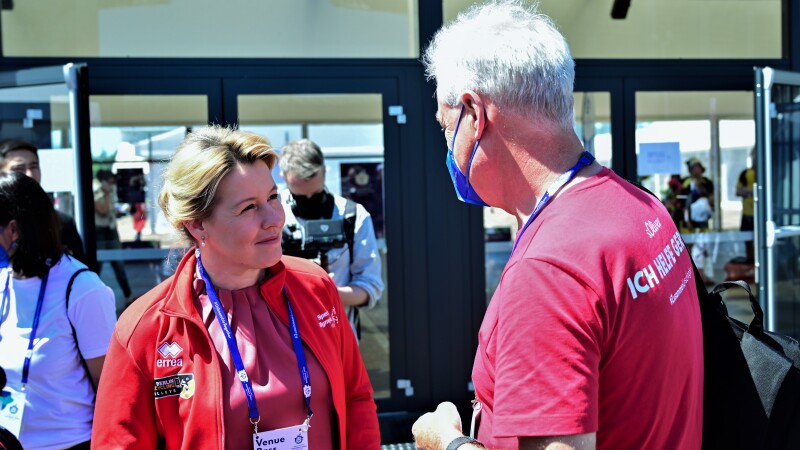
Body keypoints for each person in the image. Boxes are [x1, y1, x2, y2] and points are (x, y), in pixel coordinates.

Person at [413, 2, 703, 449]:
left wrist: (445, 442)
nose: (448, 148)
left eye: (444, 125)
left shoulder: (548, 270)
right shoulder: (643, 207)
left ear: (474, 115)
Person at [91, 126, 380, 449]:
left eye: (272, 197)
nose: (274, 219)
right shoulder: (145, 328)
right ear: (197, 224)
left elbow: (356, 398)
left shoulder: (316, 287)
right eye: (249, 207)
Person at [0, 171, 117, 450]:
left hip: (71, 443)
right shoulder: (3, 281)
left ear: (14, 230)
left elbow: (111, 388)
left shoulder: (82, 288)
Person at [278, 139, 384, 341]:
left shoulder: (352, 216)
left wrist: (323, 290)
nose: (309, 201)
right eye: (300, 197)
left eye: (316, 194)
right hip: (283, 339)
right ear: (283, 177)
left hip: (338, 340)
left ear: (325, 172)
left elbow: (370, 286)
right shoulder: (271, 216)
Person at [0, 139, 89, 267]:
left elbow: (83, 272)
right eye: (19, 168)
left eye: (34, 167)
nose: (29, 174)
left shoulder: (62, 223)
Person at [93, 169, 133, 303]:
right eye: (109, 182)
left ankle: (128, 294)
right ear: (103, 182)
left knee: (118, 264)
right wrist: (106, 192)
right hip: (100, 232)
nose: (111, 184)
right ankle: (92, 295)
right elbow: (103, 210)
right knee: (97, 266)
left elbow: (111, 210)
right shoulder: (97, 193)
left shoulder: (110, 192)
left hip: (111, 230)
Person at [682, 158, 715, 285]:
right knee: (691, 249)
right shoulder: (686, 182)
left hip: (703, 220)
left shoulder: (706, 182)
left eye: (697, 167)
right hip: (690, 221)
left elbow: (711, 198)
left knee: (703, 248)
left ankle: (702, 275)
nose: (695, 170)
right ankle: (695, 277)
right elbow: (685, 201)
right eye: (693, 168)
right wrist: (687, 220)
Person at [736, 149, 756, 261]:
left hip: (759, 215)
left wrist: (747, 191)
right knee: (747, 242)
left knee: (758, 241)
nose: (754, 159)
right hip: (746, 214)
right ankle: (750, 261)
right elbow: (738, 191)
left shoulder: (764, 172)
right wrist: (751, 191)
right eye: (753, 157)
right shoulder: (744, 174)